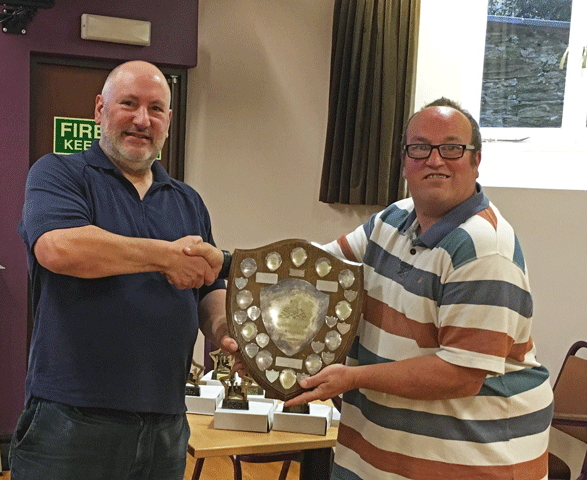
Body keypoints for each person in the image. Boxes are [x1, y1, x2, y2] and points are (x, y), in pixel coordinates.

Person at [191, 97, 554, 479]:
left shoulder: (484, 251)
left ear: (475, 160)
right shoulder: (393, 220)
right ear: (404, 161)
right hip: (376, 453)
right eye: (420, 148)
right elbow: (317, 271)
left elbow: (460, 374)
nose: (434, 160)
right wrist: (229, 263)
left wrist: (353, 378)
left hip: (469, 462)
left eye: (451, 148)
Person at [10, 60, 235, 480]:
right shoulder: (58, 173)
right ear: (99, 109)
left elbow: (209, 289)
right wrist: (165, 256)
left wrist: (225, 330)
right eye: (128, 104)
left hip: (166, 426)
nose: (141, 119)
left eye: (155, 109)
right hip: (71, 423)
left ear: (168, 120)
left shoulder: (188, 201)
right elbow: (59, 248)